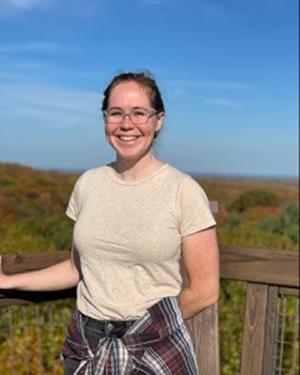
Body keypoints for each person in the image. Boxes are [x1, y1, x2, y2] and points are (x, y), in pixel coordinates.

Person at [0, 71, 219, 374]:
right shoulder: (88, 184)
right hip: (87, 345)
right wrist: (9, 281)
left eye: (139, 113)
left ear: (159, 120)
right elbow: (78, 267)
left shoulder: (184, 190)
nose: (126, 124)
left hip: (155, 347)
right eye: (116, 113)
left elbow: (205, 290)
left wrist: (144, 331)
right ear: (105, 119)